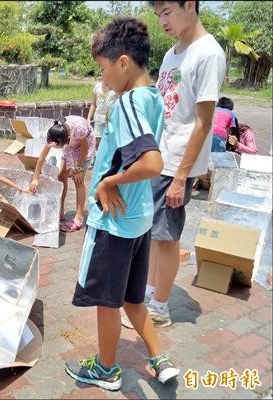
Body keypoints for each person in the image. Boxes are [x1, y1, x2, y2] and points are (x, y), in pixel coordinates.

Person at [65, 18, 180, 391]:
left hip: (114, 222)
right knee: (133, 298)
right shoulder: (153, 97)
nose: (104, 80)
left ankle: (106, 369)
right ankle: (158, 356)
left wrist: (108, 182)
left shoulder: (129, 101)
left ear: (124, 62)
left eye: (103, 69)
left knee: (107, 301)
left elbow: (151, 162)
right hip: (138, 218)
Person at [143, 0, 225, 328]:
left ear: (190, 4)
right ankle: (149, 293)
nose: (162, 21)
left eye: (167, 13)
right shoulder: (173, 53)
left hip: (176, 163)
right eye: (158, 14)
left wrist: (181, 176)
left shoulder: (208, 53)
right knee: (152, 233)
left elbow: (203, 124)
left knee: (167, 236)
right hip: (157, 158)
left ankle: (160, 308)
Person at [29, 116, 96, 232]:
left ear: (67, 140)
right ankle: (60, 209)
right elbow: (41, 158)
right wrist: (35, 178)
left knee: (78, 180)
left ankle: (79, 218)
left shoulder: (79, 130)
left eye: (57, 147)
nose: (55, 148)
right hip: (71, 144)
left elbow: (84, 148)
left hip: (85, 146)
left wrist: (78, 168)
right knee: (61, 176)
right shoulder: (55, 133)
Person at [87, 80, 118, 152]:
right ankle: (97, 157)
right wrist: (88, 118)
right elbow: (93, 104)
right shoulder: (97, 87)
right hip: (98, 118)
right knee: (97, 141)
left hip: (111, 118)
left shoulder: (116, 86)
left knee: (111, 141)